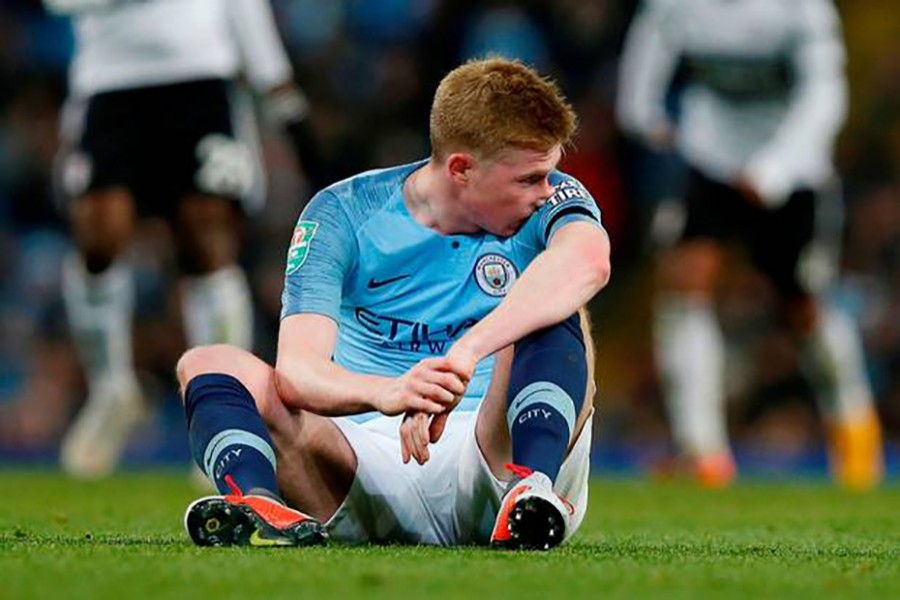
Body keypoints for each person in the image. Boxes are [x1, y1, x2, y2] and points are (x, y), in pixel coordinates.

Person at [175, 57, 611, 549]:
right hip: (358, 466)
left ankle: (531, 491)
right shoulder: (343, 212)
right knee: (207, 361)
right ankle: (256, 507)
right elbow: (297, 371)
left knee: (559, 307)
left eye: (549, 174)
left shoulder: (555, 200)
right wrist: (390, 392)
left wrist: (466, 352)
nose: (545, 190)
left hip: (492, 451)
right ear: (462, 169)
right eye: (529, 179)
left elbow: (589, 260)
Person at [44, 0, 320, 477]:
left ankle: (223, 404)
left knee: (206, 238)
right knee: (98, 235)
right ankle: (112, 390)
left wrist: (275, 83)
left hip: (199, 74)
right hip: (108, 81)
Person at [617, 0, 883, 489]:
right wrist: (645, 117)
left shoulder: (801, 8)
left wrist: (775, 169)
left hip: (794, 165)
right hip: (709, 155)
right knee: (684, 284)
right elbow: (643, 70)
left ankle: (854, 427)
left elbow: (826, 95)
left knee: (800, 306)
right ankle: (703, 451)